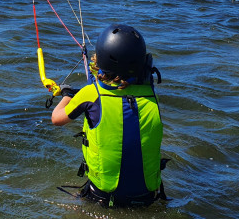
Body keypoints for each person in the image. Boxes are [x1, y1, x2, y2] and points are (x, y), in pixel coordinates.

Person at [51, 23, 166, 207]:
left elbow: (56, 119)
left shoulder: (90, 93)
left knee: (67, 202)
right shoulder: (152, 95)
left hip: (104, 198)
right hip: (147, 196)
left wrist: (67, 95)